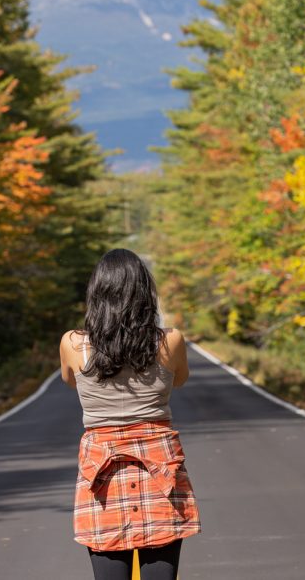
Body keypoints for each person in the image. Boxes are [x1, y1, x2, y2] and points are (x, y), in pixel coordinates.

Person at [59, 248, 201, 580]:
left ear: (97, 292)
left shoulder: (73, 343)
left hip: (101, 470)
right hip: (159, 467)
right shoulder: (170, 341)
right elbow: (179, 380)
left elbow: (69, 380)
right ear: (144, 293)